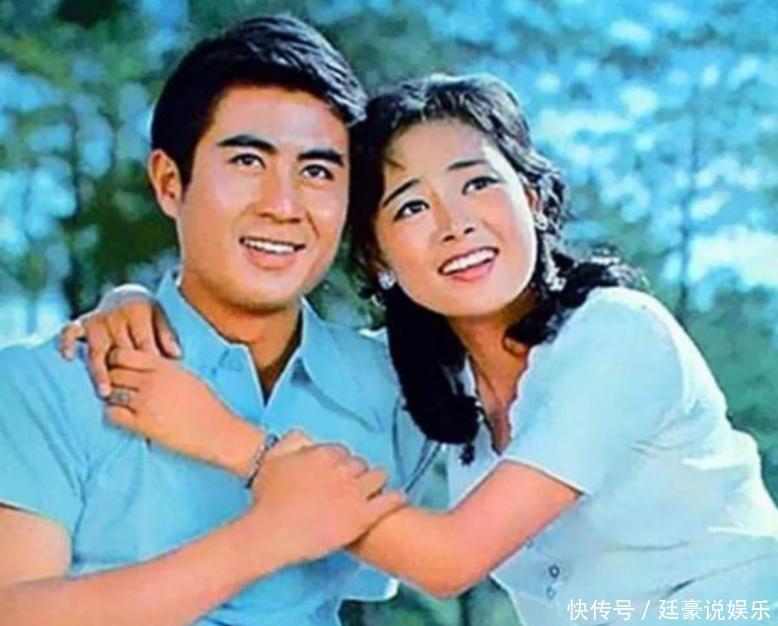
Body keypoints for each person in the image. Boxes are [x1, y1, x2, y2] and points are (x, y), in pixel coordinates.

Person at [66, 74, 778, 625]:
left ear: (533, 200)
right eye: (410, 205)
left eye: (478, 183)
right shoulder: (417, 377)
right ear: (378, 257)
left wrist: (226, 440)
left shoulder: (617, 335)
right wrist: (131, 304)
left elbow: (449, 560)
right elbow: (270, 346)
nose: (455, 223)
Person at [0, 15, 433, 626]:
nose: (283, 206)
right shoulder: (50, 382)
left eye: (317, 171)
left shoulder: (397, 389)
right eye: (248, 161)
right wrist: (264, 538)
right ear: (168, 182)